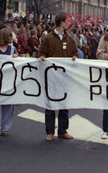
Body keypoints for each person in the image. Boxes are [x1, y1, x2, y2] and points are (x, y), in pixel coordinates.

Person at [38, 12, 78, 142]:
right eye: (67, 21)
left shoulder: (70, 39)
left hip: (64, 76)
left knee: (64, 104)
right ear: (61, 22)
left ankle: (62, 130)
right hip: (51, 76)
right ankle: (49, 131)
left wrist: (74, 57)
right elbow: (41, 53)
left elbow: (75, 53)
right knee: (50, 103)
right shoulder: (48, 38)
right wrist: (42, 57)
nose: (69, 23)